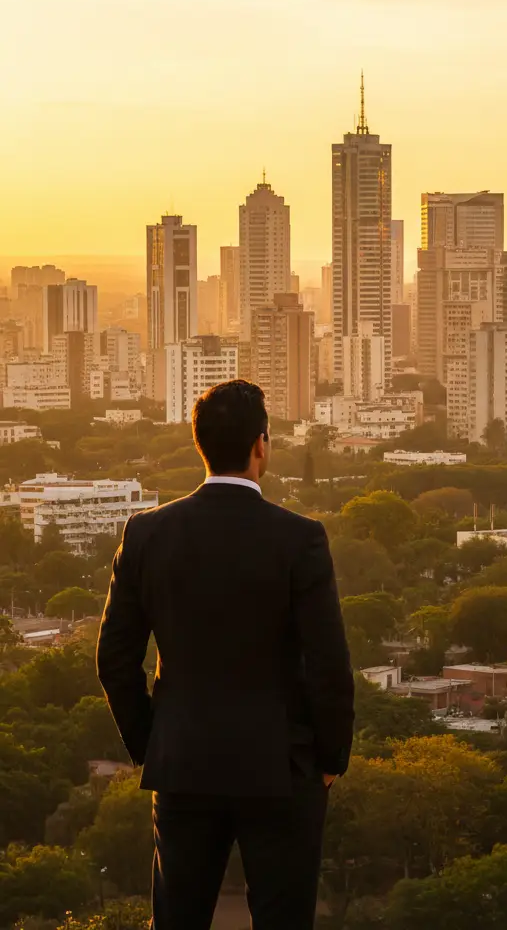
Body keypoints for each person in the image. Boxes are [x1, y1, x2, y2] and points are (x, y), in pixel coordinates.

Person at [97, 379, 354, 930]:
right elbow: (329, 666)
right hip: (283, 767)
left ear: (200, 444)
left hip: (184, 761)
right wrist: (331, 759)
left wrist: (153, 743)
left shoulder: (146, 533)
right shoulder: (300, 538)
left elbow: (115, 659)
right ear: (261, 445)